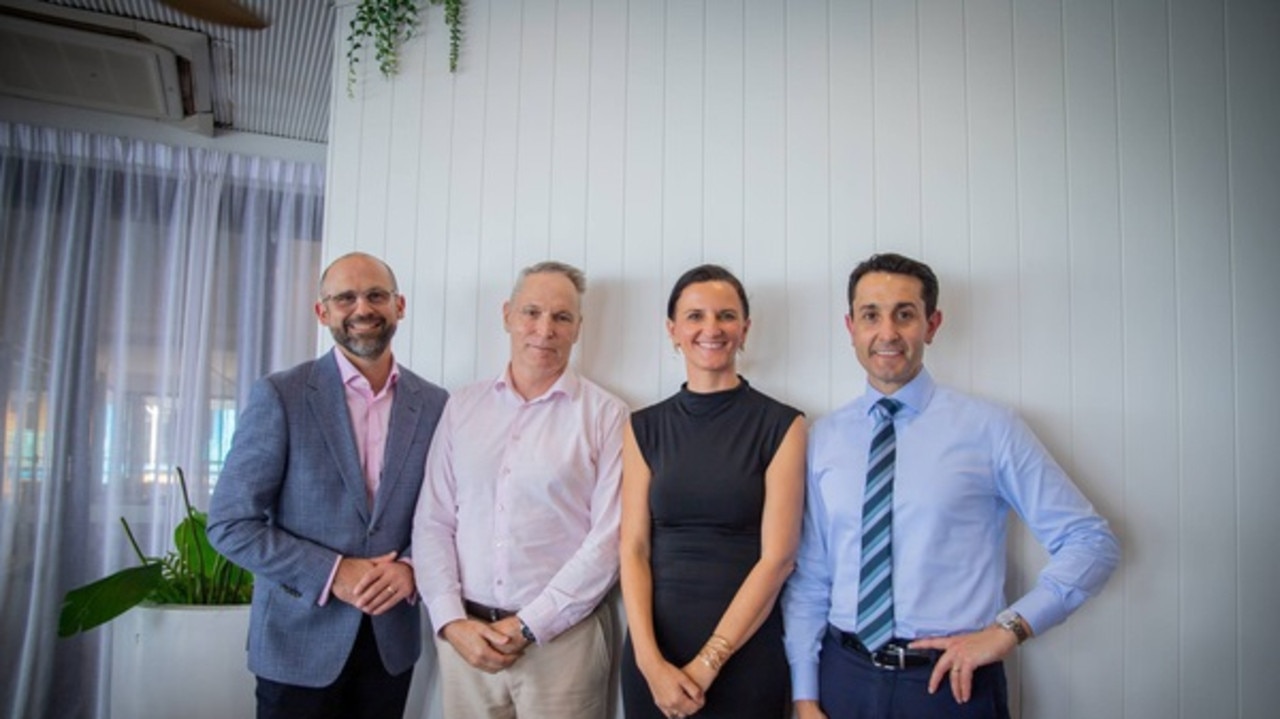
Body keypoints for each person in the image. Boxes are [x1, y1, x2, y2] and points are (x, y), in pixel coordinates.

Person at [782, 252, 1121, 719]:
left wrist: (1008, 630)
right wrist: (804, 695)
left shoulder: (991, 429)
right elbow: (811, 577)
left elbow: (1091, 542)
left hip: (950, 685)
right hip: (843, 680)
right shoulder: (823, 438)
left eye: (905, 314)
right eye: (871, 316)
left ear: (932, 324)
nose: (887, 333)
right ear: (850, 327)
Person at [207, 251, 449, 719]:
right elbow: (230, 523)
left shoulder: (436, 404)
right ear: (323, 312)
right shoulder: (281, 396)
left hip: (390, 645)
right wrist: (334, 572)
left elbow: (445, 513)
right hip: (296, 646)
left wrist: (412, 568)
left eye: (376, 295)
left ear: (400, 305)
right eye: (346, 298)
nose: (363, 309)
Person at [411, 260, 628, 718]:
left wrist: (530, 624)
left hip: (565, 645)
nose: (544, 329)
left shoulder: (607, 415)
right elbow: (433, 521)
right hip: (466, 640)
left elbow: (610, 539)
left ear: (578, 328)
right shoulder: (461, 407)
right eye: (531, 312)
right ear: (507, 314)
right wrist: (451, 621)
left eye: (562, 317)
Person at [620, 264, 807, 719]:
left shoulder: (783, 425)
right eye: (695, 316)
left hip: (744, 655)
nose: (711, 328)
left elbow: (778, 558)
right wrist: (648, 661)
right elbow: (634, 547)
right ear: (673, 330)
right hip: (654, 655)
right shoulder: (643, 426)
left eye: (726, 316)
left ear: (745, 328)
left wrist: (709, 662)